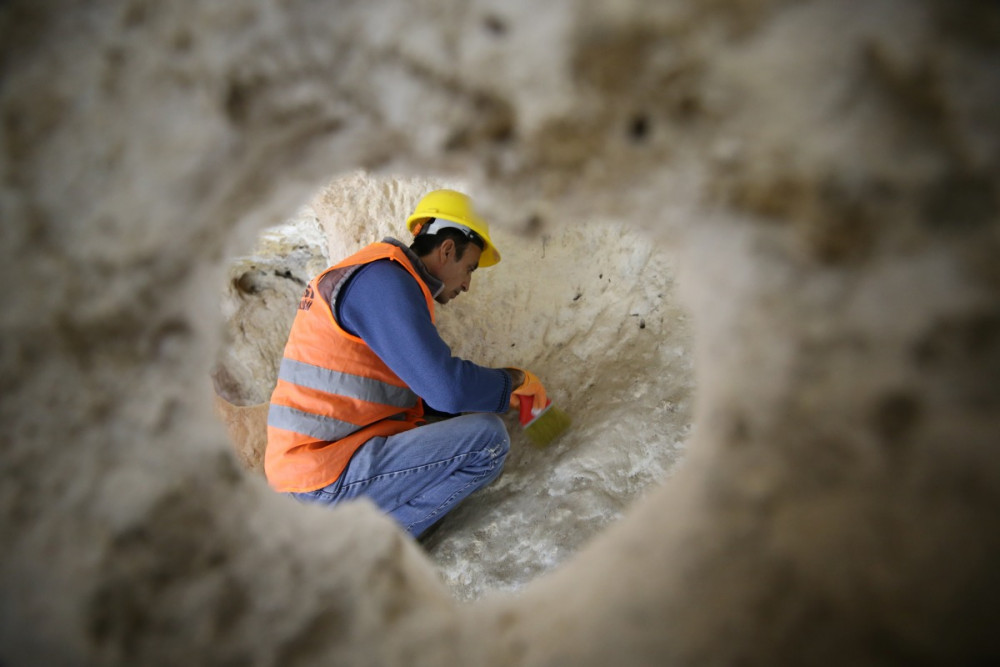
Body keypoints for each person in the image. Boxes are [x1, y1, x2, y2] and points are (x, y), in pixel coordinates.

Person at [264, 189, 549, 538]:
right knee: (487, 442)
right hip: (321, 477)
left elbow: (420, 394)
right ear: (447, 250)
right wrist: (512, 381)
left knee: (446, 425)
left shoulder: (378, 279)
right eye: (469, 268)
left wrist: (496, 396)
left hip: (312, 469)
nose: (468, 285)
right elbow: (446, 389)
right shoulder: (384, 282)